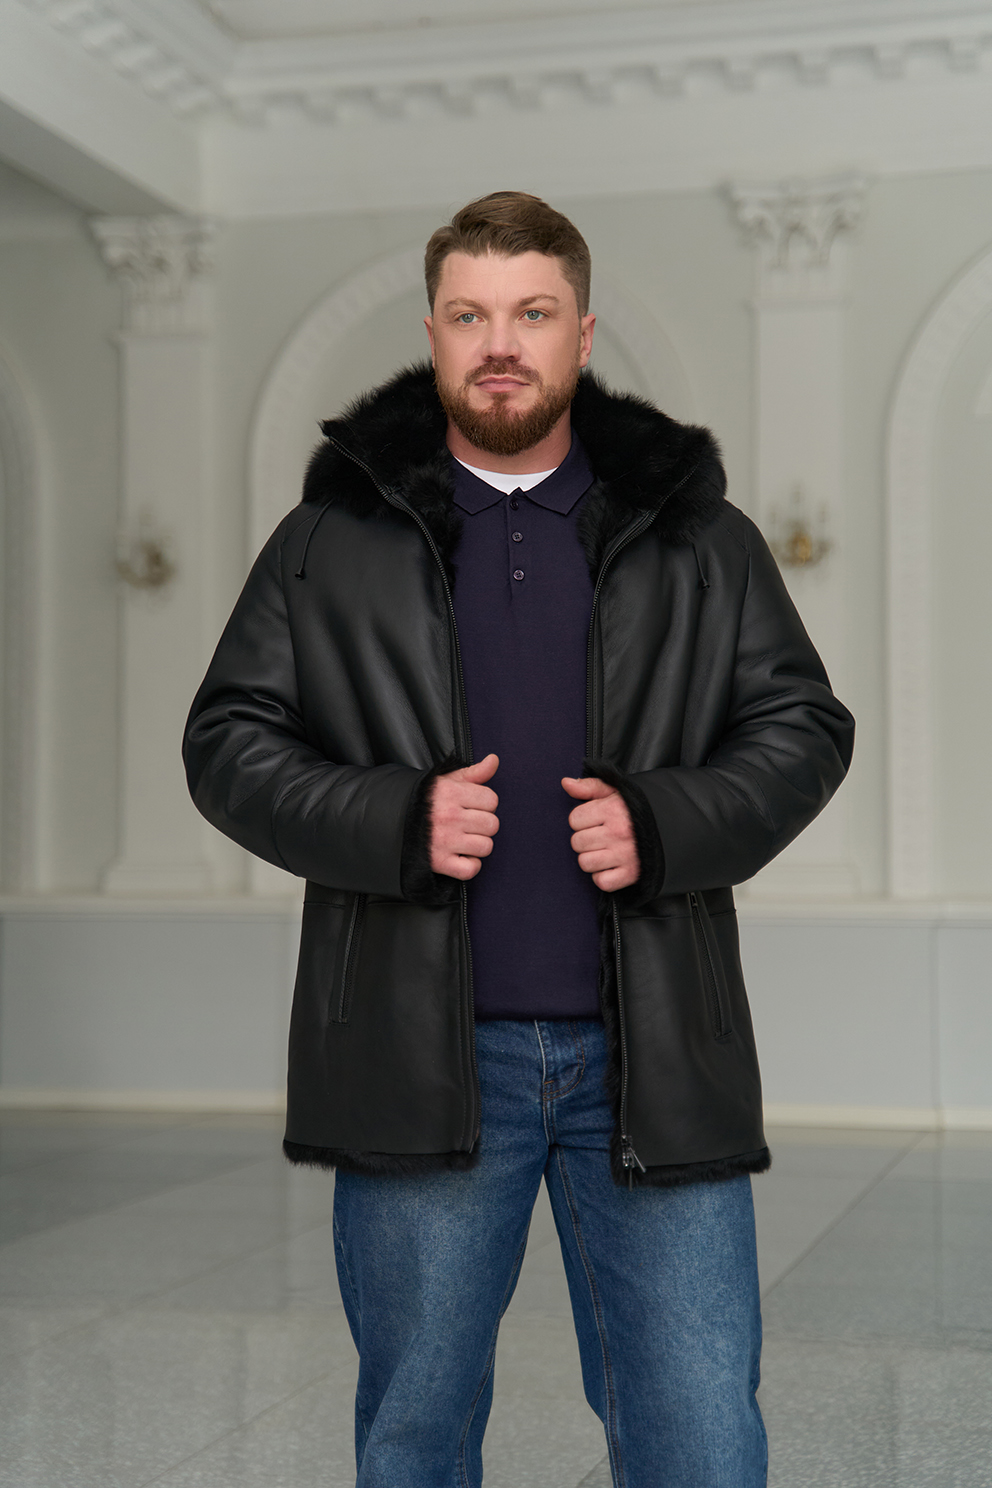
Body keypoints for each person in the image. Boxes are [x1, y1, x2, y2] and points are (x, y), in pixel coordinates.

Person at [184, 191, 854, 1488]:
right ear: (434, 333)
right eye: (471, 315)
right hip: (418, 1058)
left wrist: (663, 822)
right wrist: (396, 818)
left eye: (533, 313)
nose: (501, 344)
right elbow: (227, 743)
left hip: (656, 1052)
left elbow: (804, 729)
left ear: (581, 335)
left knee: (703, 1440)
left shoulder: (701, 539)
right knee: (416, 1439)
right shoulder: (328, 544)